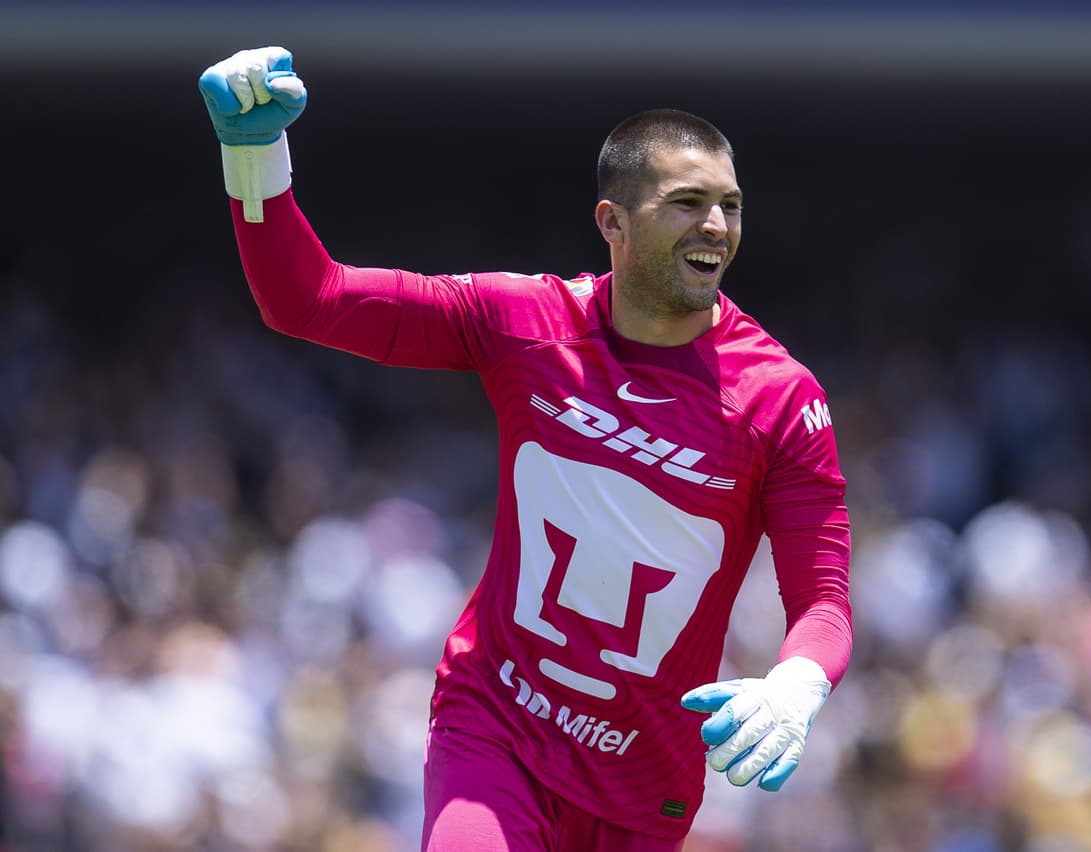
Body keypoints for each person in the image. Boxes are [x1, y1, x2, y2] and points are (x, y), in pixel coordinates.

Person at [199, 47, 853, 852]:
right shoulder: (523, 322)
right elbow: (310, 298)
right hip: (496, 731)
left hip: (644, 787)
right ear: (613, 222)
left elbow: (822, 600)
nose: (716, 226)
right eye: (687, 202)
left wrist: (798, 682)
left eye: (730, 204)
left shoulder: (781, 398)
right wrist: (252, 152)